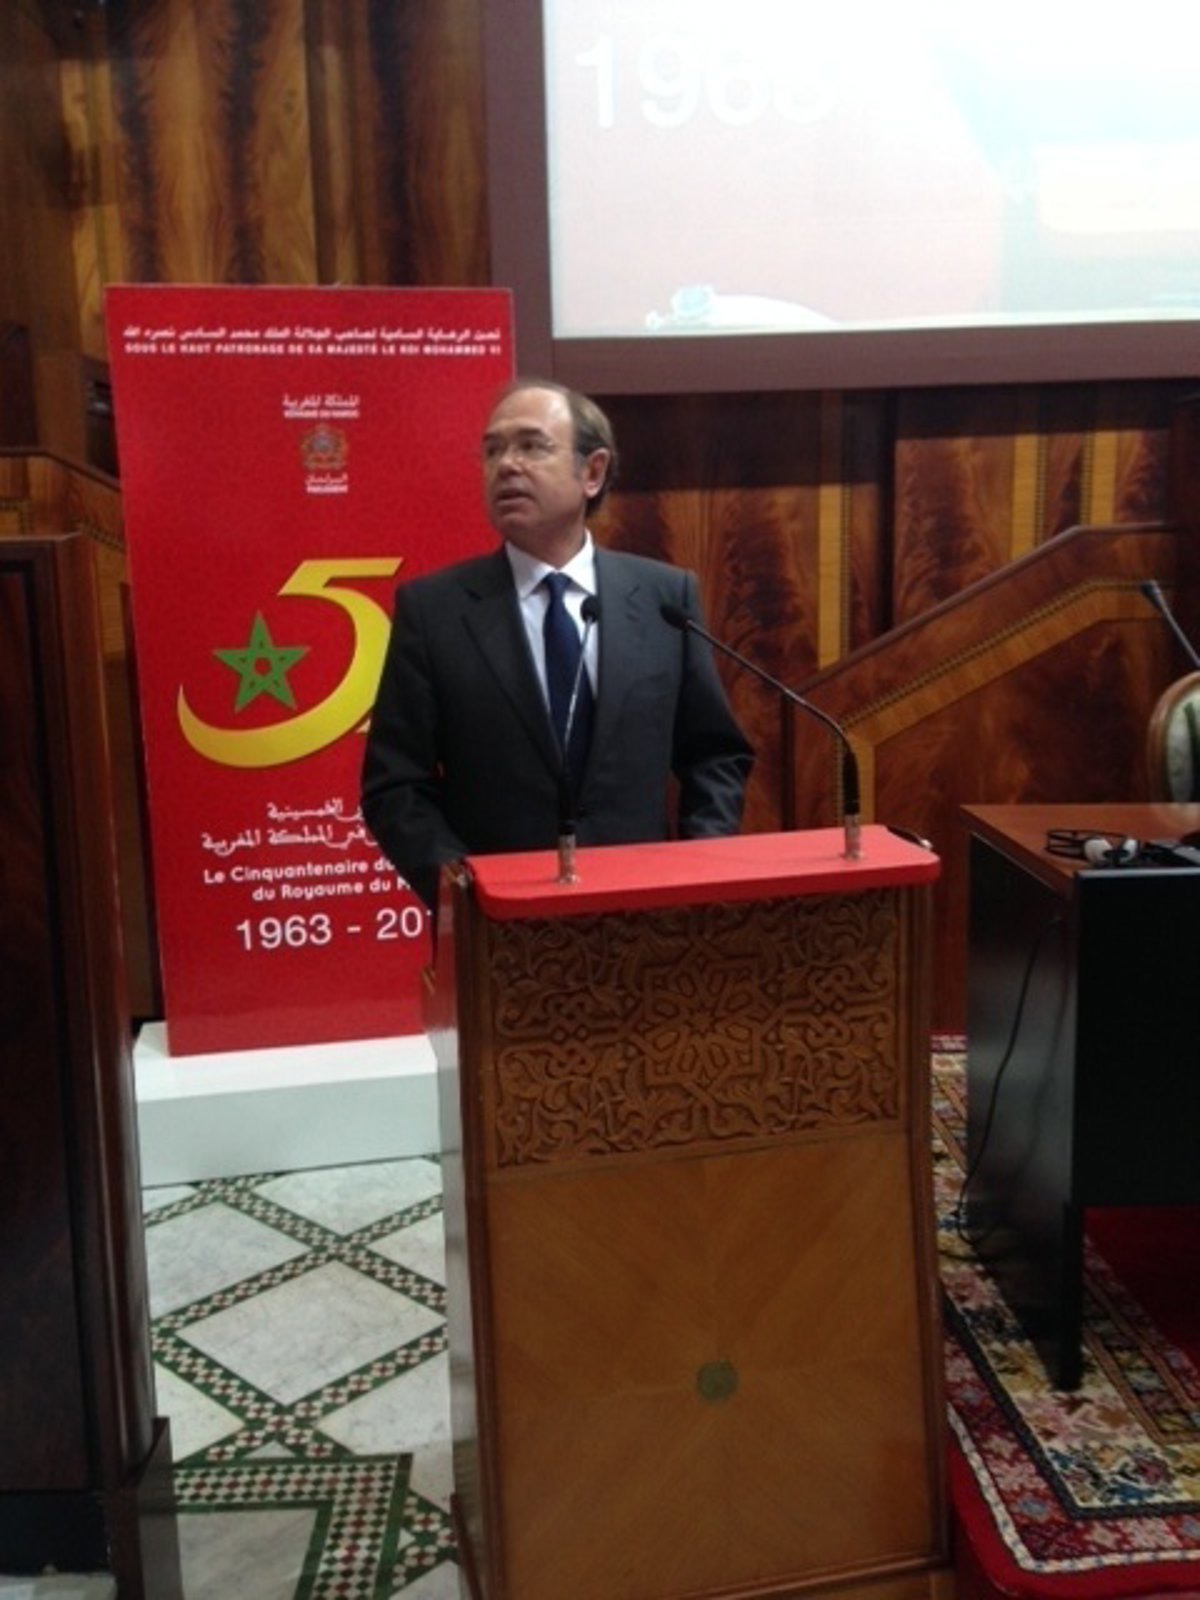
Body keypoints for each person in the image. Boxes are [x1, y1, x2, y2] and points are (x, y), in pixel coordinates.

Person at [361, 377, 753, 908]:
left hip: (647, 914)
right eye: (493, 450)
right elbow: (395, 784)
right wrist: (461, 893)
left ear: (593, 472)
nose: (507, 465)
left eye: (531, 446)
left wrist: (699, 867)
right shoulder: (434, 611)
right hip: (499, 921)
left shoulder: (664, 597)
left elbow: (714, 754)